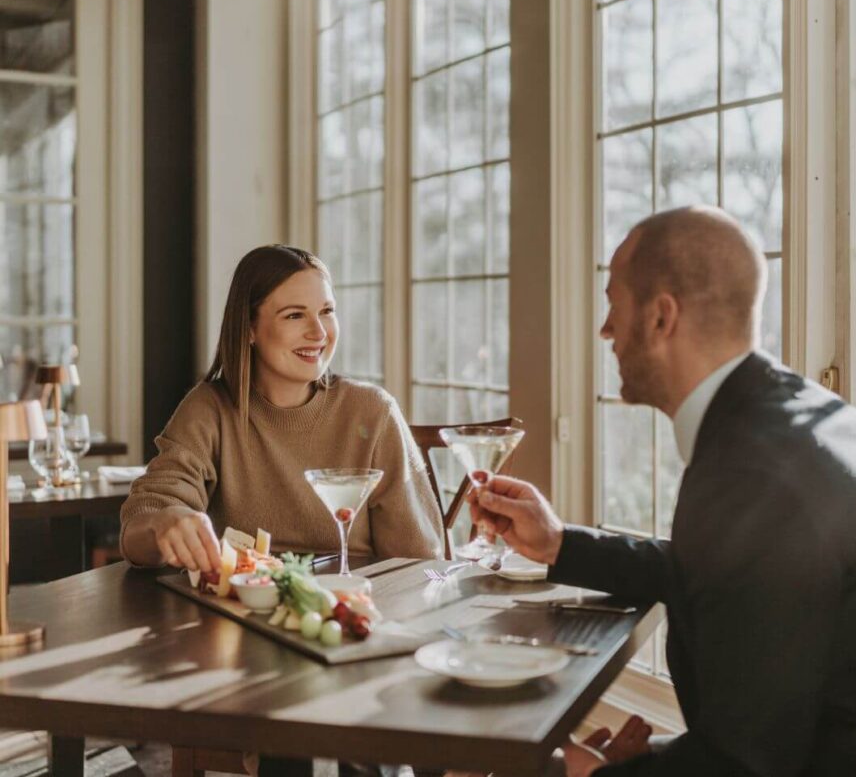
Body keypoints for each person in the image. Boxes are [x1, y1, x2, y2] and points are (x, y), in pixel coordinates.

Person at [471, 207, 856, 776]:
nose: (606, 330)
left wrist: (586, 775)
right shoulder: (798, 412)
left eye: (614, 303)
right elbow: (725, 569)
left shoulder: (750, 473)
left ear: (659, 318)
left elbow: (740, 766)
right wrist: (558, 543)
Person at [120, 244, 443, 571]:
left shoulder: (373, 412)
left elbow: (418, 563)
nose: (318, 332)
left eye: (327, 311)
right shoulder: (209, 410)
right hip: (239, 613)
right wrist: (163, 522)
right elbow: (139, 525)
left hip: (354, 609)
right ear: (248, 328)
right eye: (294, 315)